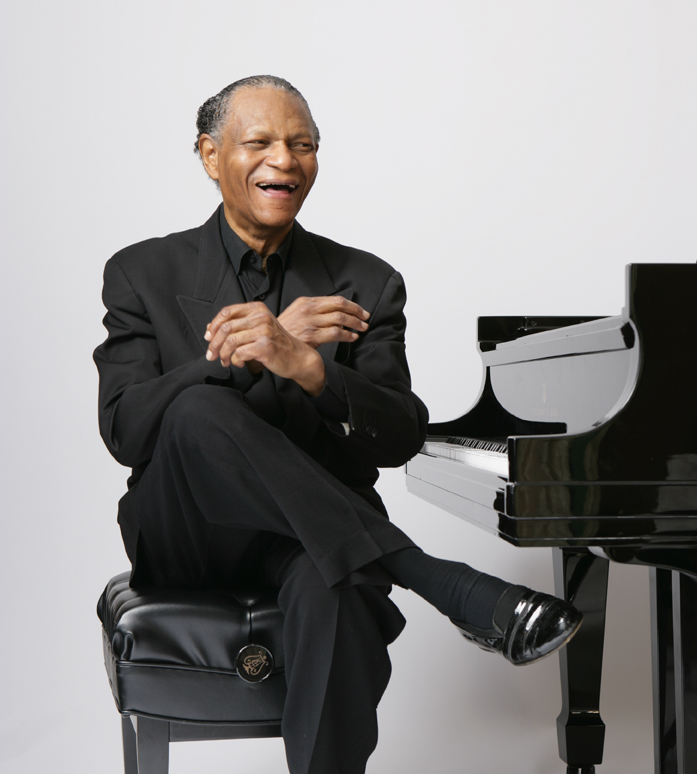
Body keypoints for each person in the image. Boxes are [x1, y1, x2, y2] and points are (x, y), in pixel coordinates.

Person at [94, 75, 582, 774]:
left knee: (339, 589)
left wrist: (308, 364)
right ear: (209, 154)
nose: (284, 161)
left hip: (313, 542)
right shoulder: (141, 270)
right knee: (197, 407)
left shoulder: (364, 281)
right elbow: (124, 428)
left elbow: (399, 437)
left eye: (303, 145)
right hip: (185, 533)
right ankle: (438, 578)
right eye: (259, 142)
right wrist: (246, 362)